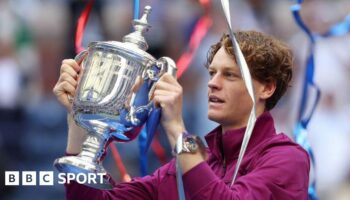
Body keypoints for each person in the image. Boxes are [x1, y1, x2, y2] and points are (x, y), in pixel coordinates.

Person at [53, 30, 310, 199]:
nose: (213, 83)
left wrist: (176, 129)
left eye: (229, 75)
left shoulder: (287, 159)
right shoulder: (187, 164)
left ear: (267, 87)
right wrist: (80, 120)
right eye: (212, 73)